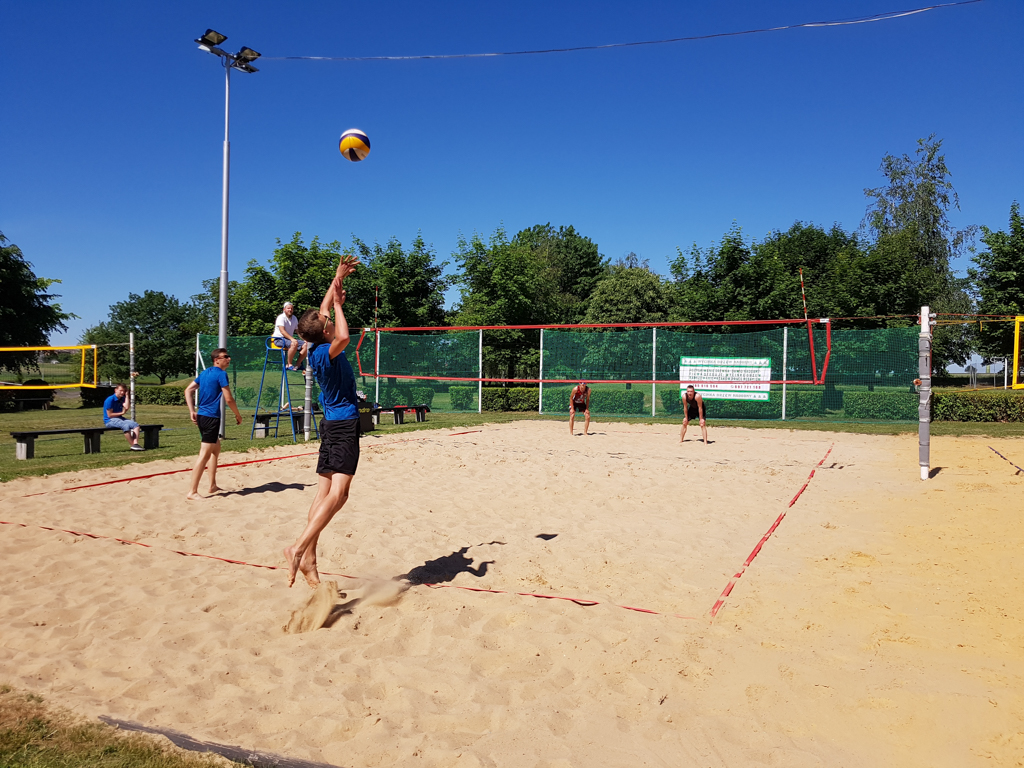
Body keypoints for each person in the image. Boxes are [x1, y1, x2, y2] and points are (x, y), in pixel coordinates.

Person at [284, 254, 362, 588]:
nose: (328, 316)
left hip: (330, 425)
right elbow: (343, 335)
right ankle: (298, 548)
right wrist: (341, 307)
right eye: (327, 319)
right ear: (325, 329)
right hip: (343, 424)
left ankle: (310, 560)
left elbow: (323, 309)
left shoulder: (315, 341)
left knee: (324, 492)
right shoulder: (328, 350)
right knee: (340, 494)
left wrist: (337, 279)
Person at [184, 348, 242, 500]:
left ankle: (212, 485)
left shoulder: (205, 373)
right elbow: (229, 399)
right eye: (225, 357)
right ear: (216, 359)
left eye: (229, 356)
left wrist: (192, 410)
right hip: (210, 418)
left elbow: (188, 390)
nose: (228, 359)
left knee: (215, 450)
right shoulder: (221, 374)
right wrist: (237, 414)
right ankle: (192, 491)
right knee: (204, 454)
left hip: (203, 416)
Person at [103, 383, 143, 451]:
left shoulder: (122, 398)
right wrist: (122, 412)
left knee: (136, 425)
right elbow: (110, 415)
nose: (122, 392)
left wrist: (127, 395)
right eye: (120, 390)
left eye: (124, 391)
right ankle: (133, 445)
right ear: (115, 390)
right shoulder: (110, 400)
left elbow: (127, 407)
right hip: (110, 420)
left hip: (119, 418)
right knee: (125, 425)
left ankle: (135, 444)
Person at [273, 301, 307, 371]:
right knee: (294, 343)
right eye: (288, 308)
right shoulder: (281, 317)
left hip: (288, 340)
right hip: (278, 339)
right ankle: (289, 364)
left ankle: (298, 364)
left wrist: (305, 339)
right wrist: (292, 339)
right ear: (284, 309)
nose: (290, 310)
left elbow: (297, 331)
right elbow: (282, 331)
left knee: (306, 345)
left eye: (291, 308)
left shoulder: (294, 318)